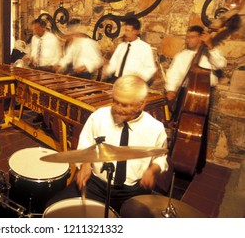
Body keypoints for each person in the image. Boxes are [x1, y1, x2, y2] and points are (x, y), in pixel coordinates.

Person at [46, 75, 168, 215]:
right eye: (115, 101)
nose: (117, 108)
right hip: (96, 185)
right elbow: (86, 145)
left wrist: (152, 170)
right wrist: (85, 164)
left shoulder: (155, 128)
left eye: (124, 104)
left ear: (141, 104)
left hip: (133, 191)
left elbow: (161, 158)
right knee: (53, 209)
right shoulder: (99, 117)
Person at [165, 25, 227, 105]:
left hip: (205, 94)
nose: (188, 40)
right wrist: (171, 90)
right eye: (187, 37)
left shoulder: (211, 52)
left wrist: (210, 46)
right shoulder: (181, 56)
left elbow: (221, 64)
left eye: (192, 37)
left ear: (201, 38)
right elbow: (173, 74)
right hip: (183, 92)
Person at [102, 18, 157, 85]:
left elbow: (150, 68)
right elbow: (114, 63)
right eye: (125, 30)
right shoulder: (121, 46)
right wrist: (106, 71)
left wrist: (140, 79)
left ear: (136, 31)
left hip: (131, 83)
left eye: (128, 31)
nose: (125, 33)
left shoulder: (145, 48)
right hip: (117, 81)